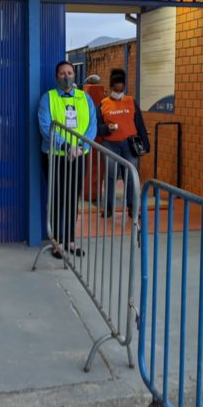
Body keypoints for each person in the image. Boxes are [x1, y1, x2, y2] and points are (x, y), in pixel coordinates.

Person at [37, 60, 98, 258]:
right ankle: (56, 242)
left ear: (75, 75)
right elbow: (46, 127)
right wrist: (66, 146)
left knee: (73, 198)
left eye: (70, 72)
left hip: (79, 156)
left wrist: (81, 147)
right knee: (57, 198)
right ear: (57, 77)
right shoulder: (48, 98)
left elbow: (92, 125)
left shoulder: (84, 98)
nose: (67, 76)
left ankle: (70, 240)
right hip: (55, 156)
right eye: (62, 73)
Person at [98, 69, 149, 217]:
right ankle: (108, 208)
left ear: (124, 87)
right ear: (111, 87)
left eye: (121, 89)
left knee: (131, 177)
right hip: (110, 145)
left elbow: (140, 124)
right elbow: (98, 127)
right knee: (111, 176)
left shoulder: (131, 102)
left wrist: (145, 144)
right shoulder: (103, 104)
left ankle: (133, 208)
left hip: (129, 145)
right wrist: (107, 128)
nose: (118, 92)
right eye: (116, 88)